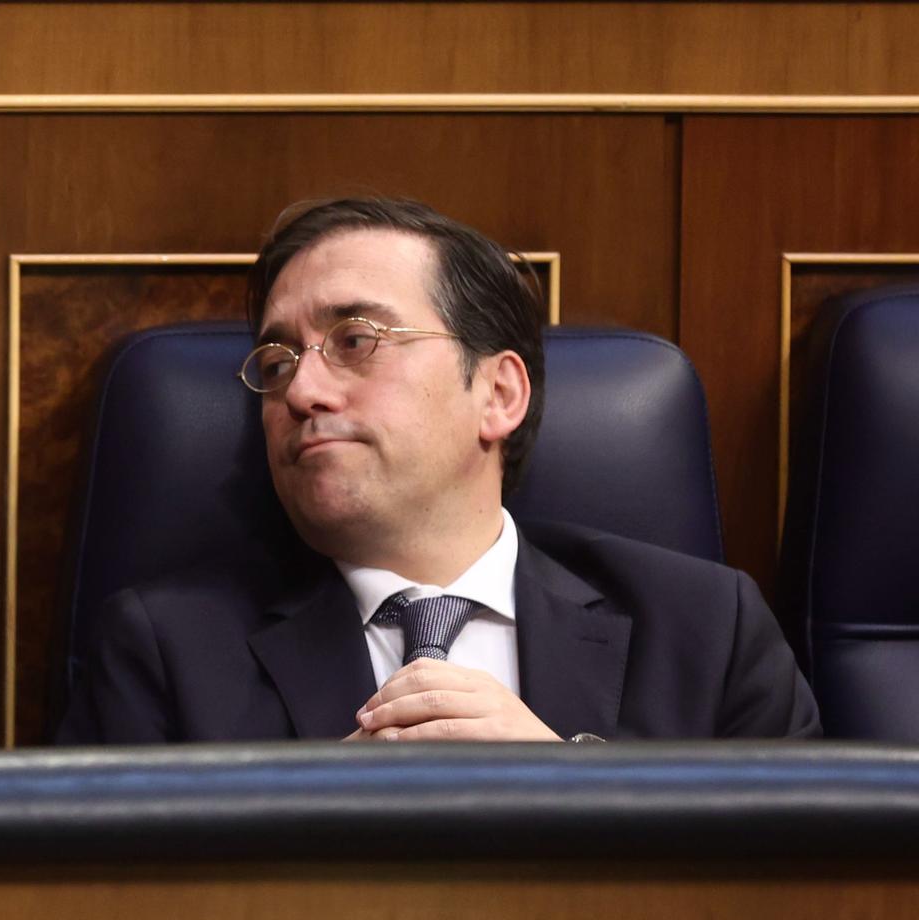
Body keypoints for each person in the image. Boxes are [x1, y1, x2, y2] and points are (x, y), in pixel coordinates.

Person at [61, 196, 818, 745]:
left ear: (499, 393)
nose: (301, 390)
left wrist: (578, 797)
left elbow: (809, 918)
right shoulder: (165, 649)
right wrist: (313, 832)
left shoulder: (707, 631)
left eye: (356, 340)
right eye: (277, 359)